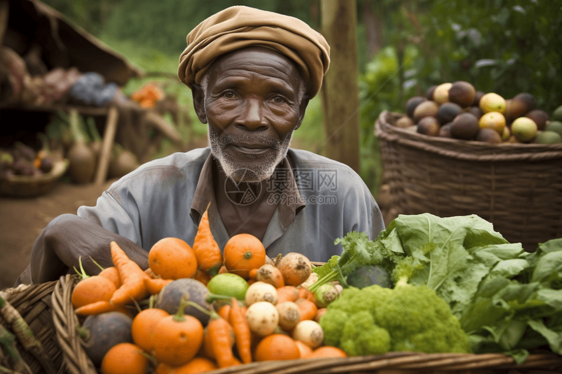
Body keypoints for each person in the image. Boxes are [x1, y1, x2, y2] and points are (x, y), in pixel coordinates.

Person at [17, 6, 384, 285]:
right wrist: (59, 230)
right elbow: (24, 301)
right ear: (199, 104)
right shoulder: (145, 192)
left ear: (300, 112)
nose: (253, 118)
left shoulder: (343, 195)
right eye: (229, 94)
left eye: (277, 99)